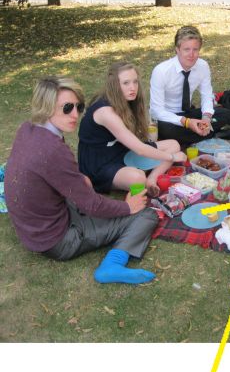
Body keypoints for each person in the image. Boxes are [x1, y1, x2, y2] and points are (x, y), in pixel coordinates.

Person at [4, 76, 159, 285]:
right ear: (47, 107)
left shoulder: (29, 129)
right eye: (67, 108)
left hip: (33, 228)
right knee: (146, 215)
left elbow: (52, 176)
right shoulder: (52, 149)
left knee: (85, 185)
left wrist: (79, 180)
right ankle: (112, 265)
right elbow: (92, 204)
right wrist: (127, 207)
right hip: (56, 240)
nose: (75, 114)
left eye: (79, 106)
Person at [78, 62, 186, 196]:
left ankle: (152, 178)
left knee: (173, 144)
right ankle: (143, 178)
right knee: (138, 178)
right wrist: (172, 157)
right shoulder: (105, 112)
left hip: (121, 149)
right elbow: (140, 149)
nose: (132, 87)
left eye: (135, 82)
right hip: (101, 162)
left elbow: (137, 143)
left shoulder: (126, 101)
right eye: (126, 83)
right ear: (114, 85)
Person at [149, 25, 230, 146]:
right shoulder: (161, 71)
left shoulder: (202, 66)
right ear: (177, 49)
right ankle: (214, 134)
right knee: (165, 131)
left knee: (224, 114)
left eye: (195, 49)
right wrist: (186, 122)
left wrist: (206, 119)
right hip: (168, 118)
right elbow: (156, 111)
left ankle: (199, 133)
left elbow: (207, 96)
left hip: (188, 114)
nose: (191, 54)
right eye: (186, 49)